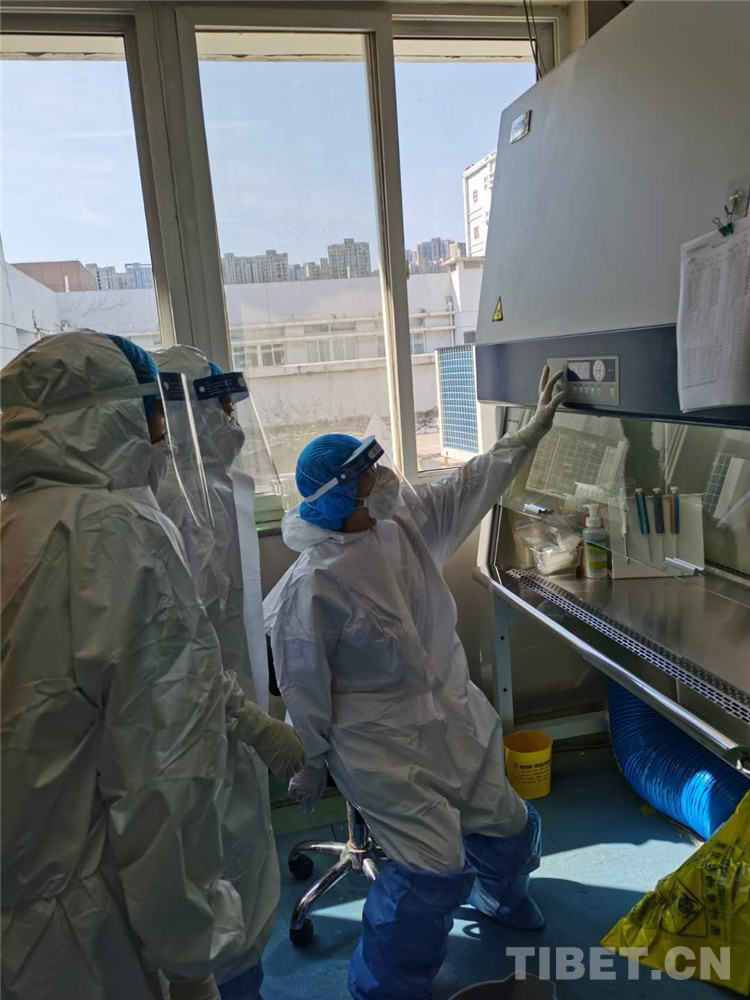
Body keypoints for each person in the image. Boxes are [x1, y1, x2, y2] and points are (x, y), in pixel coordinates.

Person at [0, 331, 297, 1000]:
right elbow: (158, 776)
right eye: (151, 409)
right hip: (83, 927)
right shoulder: (115, 532)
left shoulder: (19, 524)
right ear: (105, 416)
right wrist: (191, 952)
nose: (161, 429)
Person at [264, 367, 565, 1000]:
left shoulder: (401, 525)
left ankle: (500, 895)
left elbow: (471, 483)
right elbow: (302, 685)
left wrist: (529, 433)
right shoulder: (310, 587)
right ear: (341, 497)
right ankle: (385, 987)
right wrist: (311, 760)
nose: (383, 480)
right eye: (367, 476)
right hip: (379, 744)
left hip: (451, 709)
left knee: (508, 826)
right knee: (432, 869)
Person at [150, 344, 304, 998]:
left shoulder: (208, 489)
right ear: (192, 413)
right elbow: (175, 649)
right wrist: (252, 723)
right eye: (223, 405)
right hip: (196, 738)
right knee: (217, 884)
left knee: (236, 877)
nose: (235, 419)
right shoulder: (175, 503)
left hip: (223, 727)